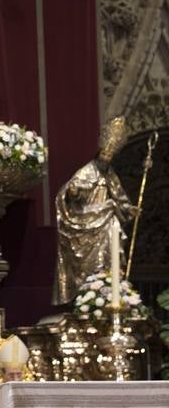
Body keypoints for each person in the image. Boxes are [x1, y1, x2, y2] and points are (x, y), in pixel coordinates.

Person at [53, 115, 137, 305]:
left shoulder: (110, 175)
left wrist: (129, 209)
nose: (106, 158)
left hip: (107, 222)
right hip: (86, 222)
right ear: (99, 154)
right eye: (104, 155)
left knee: (110, 254)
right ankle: (89, 297)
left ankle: (109, 291)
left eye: (109, 156)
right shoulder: (86, 171)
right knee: (89, 265)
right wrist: (73, 192)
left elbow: (119, 196)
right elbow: (71, 193)